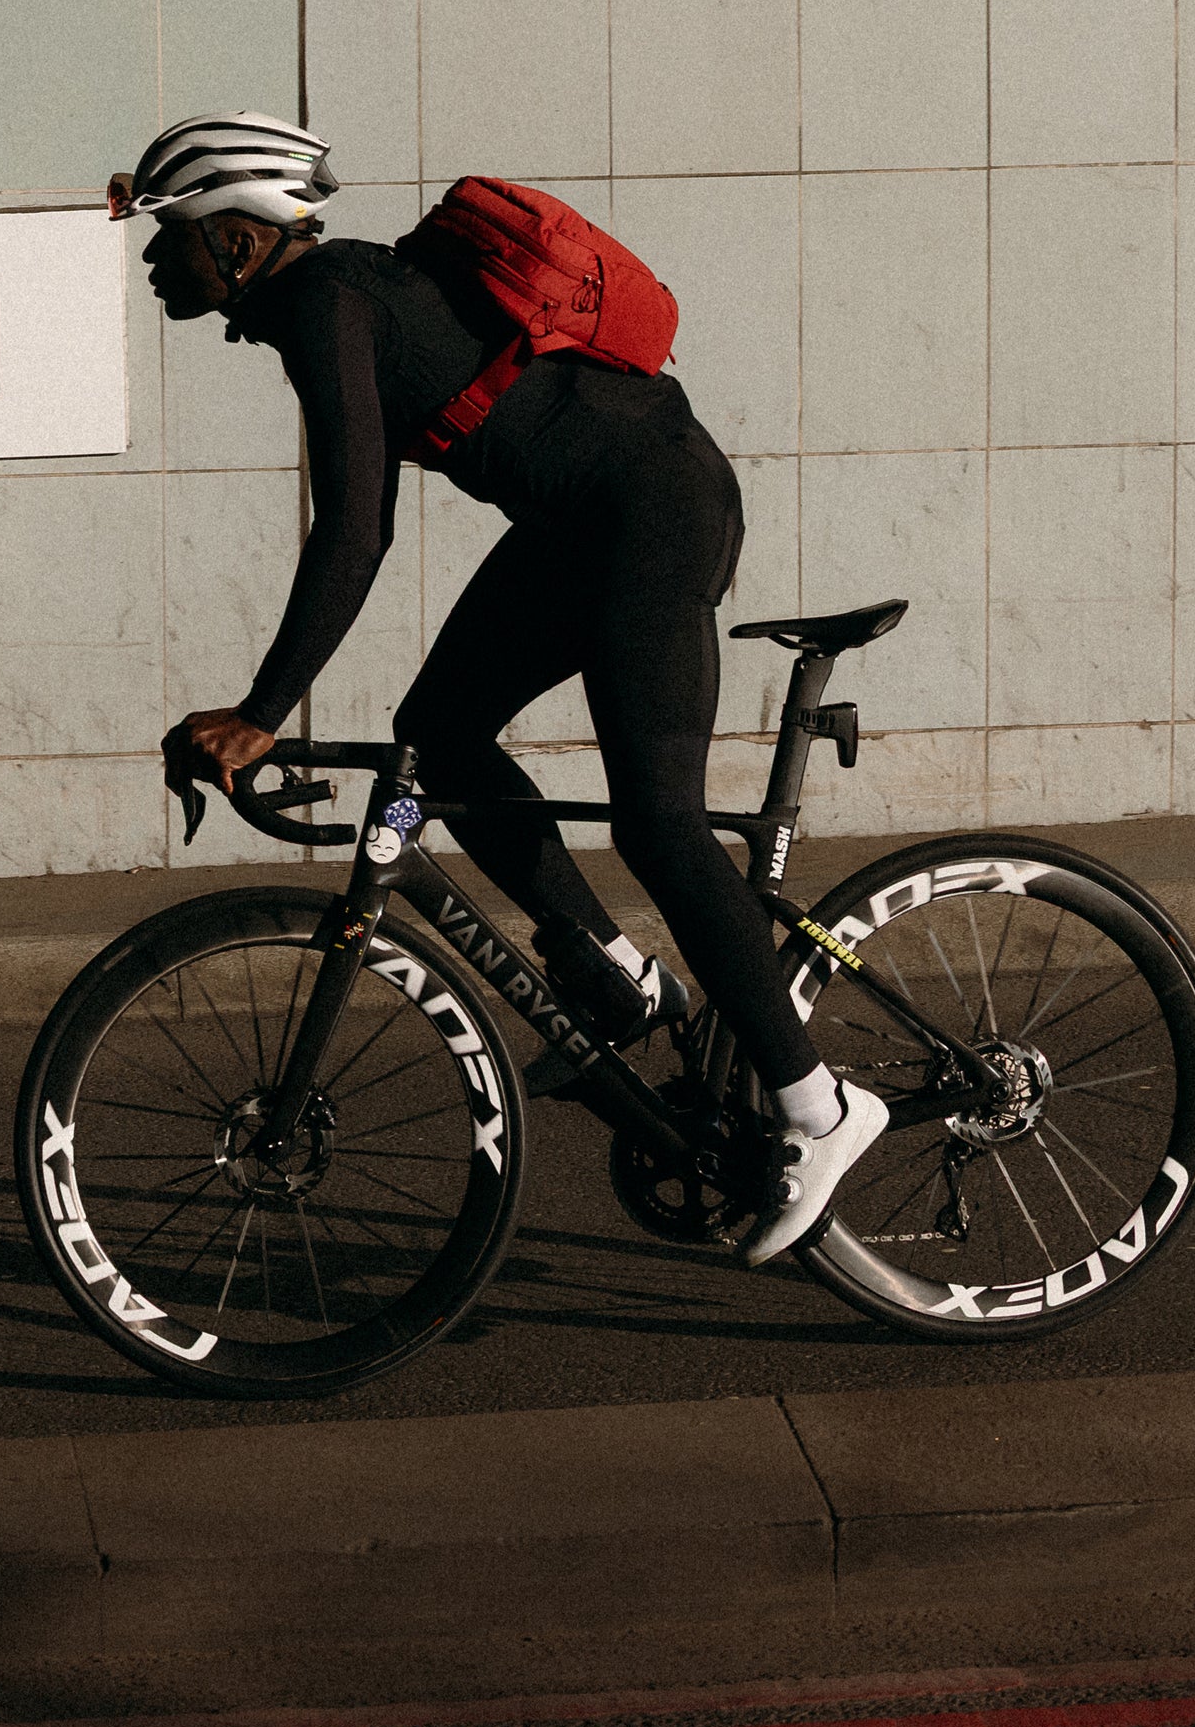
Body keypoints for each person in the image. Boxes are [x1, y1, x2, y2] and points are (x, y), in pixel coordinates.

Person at [110, 110, 886, 1268]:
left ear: (234, 234)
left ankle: (817, 1107)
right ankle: (605, 968)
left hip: (651, 513)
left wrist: (265, 708)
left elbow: (354, 531)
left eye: (168, 230)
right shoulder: (312, 307)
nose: (150, 255)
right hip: (578, 526)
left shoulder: (329, 302)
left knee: (658, 824)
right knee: (435, 736)